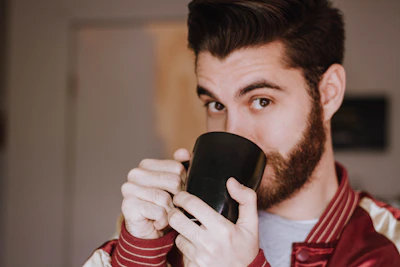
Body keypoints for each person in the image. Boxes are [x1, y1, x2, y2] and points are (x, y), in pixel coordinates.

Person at [84, 0, 400, 266]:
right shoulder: (167, 225)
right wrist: (138, 255)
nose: (234, 133)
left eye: (261, 100)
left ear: (329, 93)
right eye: (216, 105)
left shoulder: (390, 240)